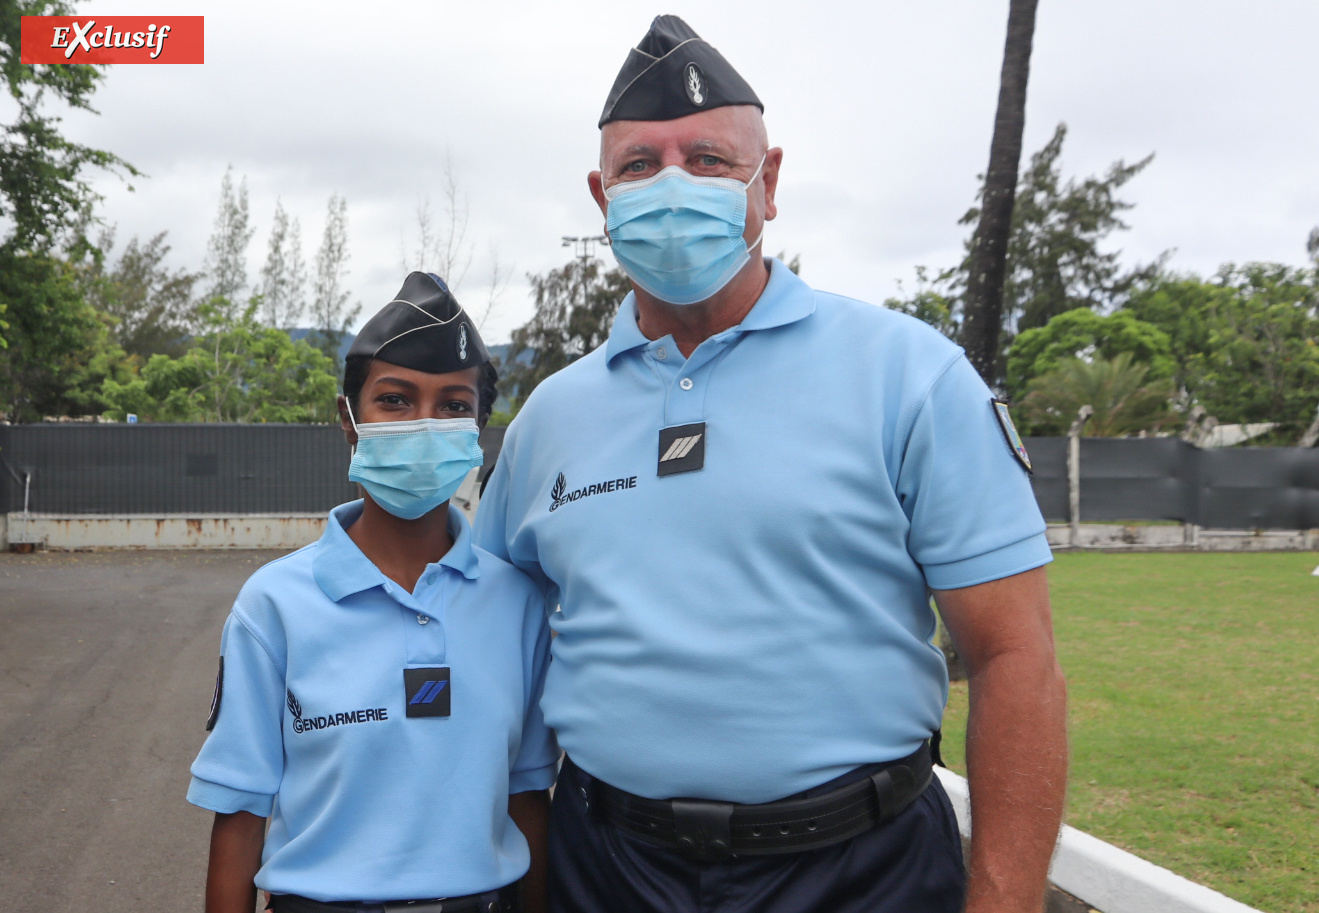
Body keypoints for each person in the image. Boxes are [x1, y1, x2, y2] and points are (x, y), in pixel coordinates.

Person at [473, 16, 1067, 913]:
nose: (672, 184)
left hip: (859, 870)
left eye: (707, 159)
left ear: (769, 180)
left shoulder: (909, 376)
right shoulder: (549, 418)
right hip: (608, 870)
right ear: (601, 196)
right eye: (640, 165)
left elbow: (1014, 654)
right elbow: (493, 646)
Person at [189, 272, 556, 913]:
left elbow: (527, 796)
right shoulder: (274, 606)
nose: (423, 424)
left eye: (451, 405)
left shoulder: (518, 605)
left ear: (477, 429)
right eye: (395, 400)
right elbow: (241, 812)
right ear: (349, 419)